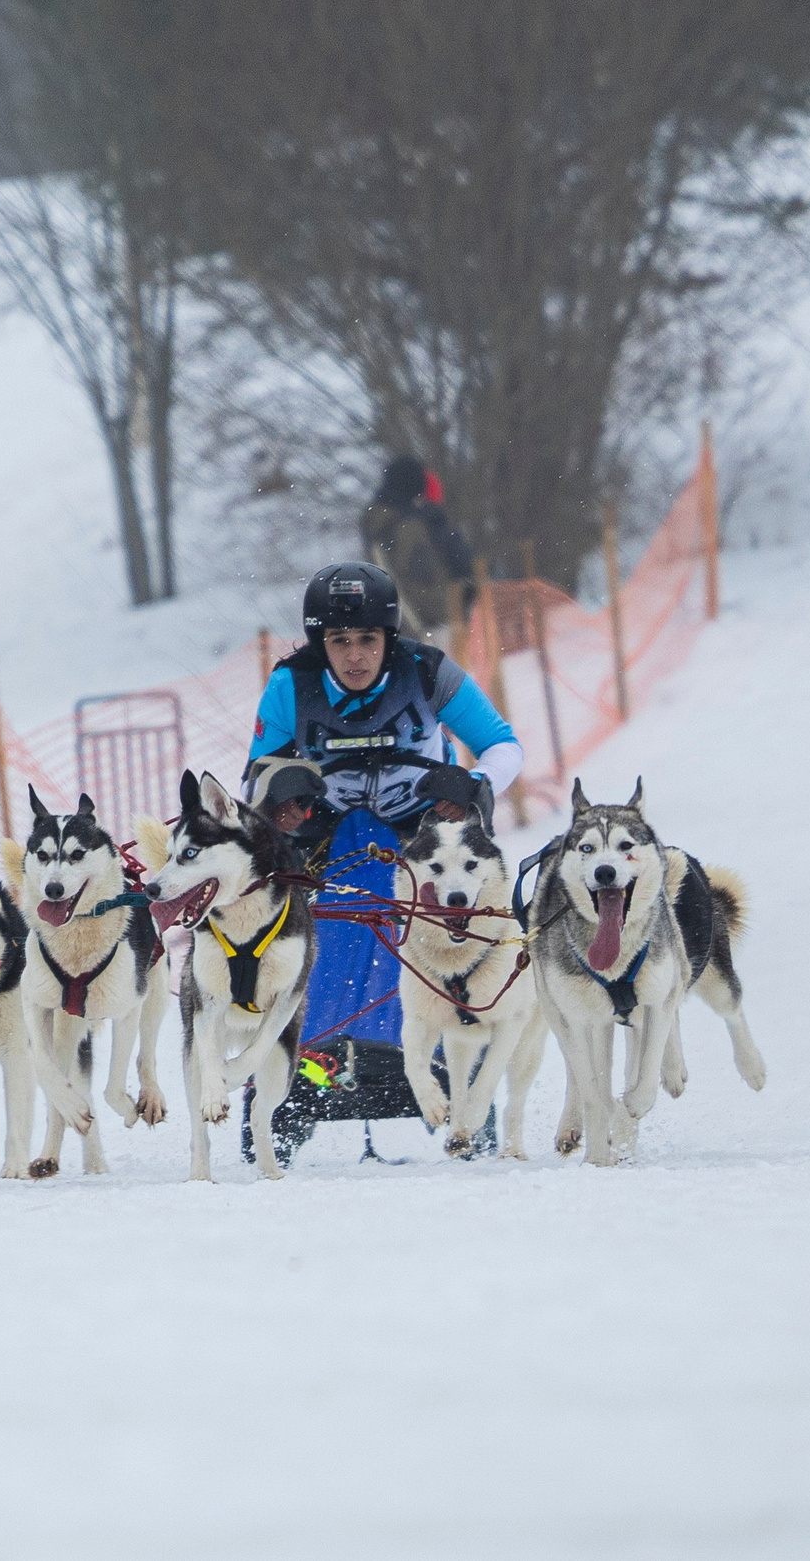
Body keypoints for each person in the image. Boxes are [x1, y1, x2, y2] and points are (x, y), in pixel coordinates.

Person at [238, 561, 523, 1162]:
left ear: (389, 638)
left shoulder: (428, 672)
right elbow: (257, 778)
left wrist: (473, 785)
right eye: (339, 642)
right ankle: (299, 1076)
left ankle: (458, 1079)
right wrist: (280, 799)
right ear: (321, 643)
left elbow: (503, 745)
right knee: (300, 938)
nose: (355, 656)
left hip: (421, 838)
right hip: (327, 838)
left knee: (451, 946)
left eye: (368, 640)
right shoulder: (291, 685)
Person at [359, 456, 475, 646]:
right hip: (425, 630)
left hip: (438, 624)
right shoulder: (395, 528)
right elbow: (401, 583)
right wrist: (420, 632)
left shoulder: (412, 523)